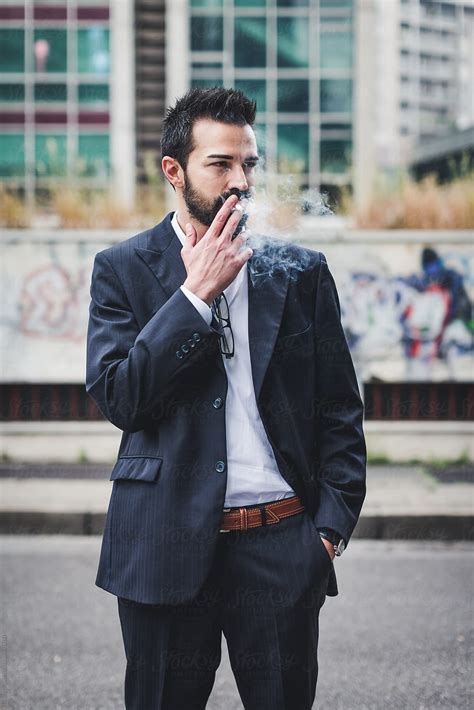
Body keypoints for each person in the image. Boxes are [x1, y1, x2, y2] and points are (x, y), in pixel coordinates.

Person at [86, 87, 366, 710]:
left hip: (281, 543)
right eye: (221, 165)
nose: (240, 181)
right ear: (174, 171)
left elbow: (339, 408)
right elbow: (121, 399)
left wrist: (328, 533)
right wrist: (193, 298)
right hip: (163, 543)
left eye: (250, 164)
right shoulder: (123, 269)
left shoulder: (299, 272)